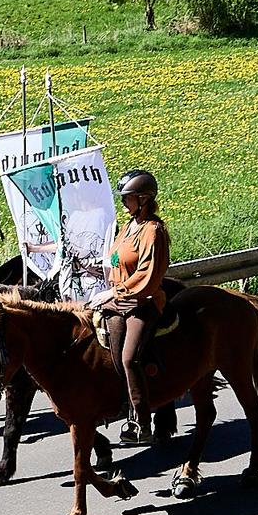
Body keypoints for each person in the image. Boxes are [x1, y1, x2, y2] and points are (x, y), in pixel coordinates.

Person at [90, 170, 169, 443]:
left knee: (129, 358)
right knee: (102, 349)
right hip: (118, 302)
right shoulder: (127, 227)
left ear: (143, 199)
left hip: (142, 302)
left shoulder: (153, 231)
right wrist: (99, 269)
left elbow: (147, 273)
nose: (123, 202)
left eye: (128, 197)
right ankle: (119, 404)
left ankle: (142, 422)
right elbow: (118, 261)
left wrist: (114, 291)